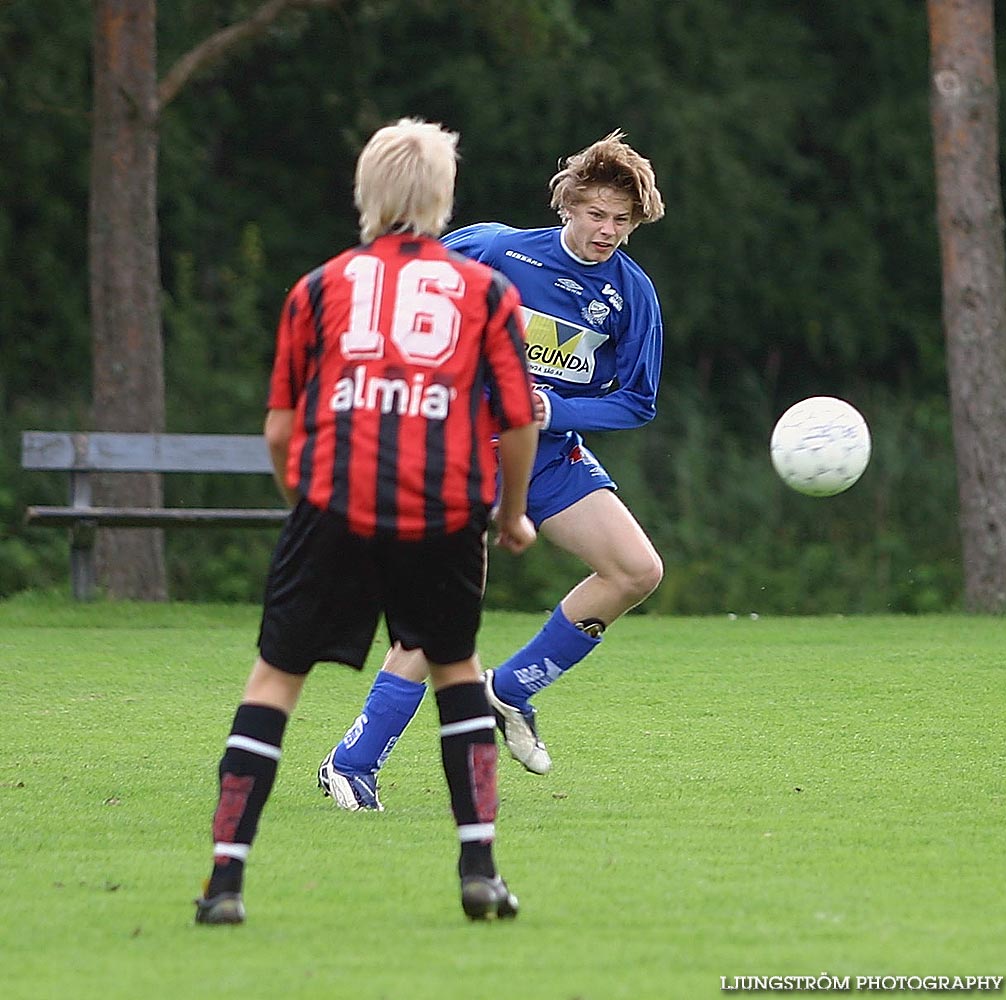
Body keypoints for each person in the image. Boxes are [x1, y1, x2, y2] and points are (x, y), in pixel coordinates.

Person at [194, 118, 539, 925]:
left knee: (275, 681)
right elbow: (518, 419)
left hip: (334, 505)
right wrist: (513, 515)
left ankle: (225, 883)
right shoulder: (488, 292)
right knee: (456, 673)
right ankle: (479, 872)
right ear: (444, 199)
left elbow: (280, 429)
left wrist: (302, 502)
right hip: (443, 510)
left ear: (365, 194)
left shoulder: (317, 288)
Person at [317, 129, 665, 810]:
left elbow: (635, 402)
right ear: (567, 205)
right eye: (595, 214)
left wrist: (553, 408)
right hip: (458, 450)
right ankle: (351, 763)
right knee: (441, 610)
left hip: (546, 456)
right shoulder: (495, 248)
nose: (607, 232)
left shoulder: (632, 295)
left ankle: (510, 689)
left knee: (635, 570)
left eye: (622, 221)